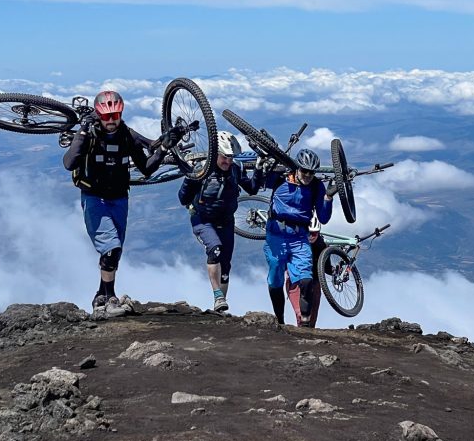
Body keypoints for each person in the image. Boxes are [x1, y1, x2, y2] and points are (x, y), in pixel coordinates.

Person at [62, 90, 177, 318]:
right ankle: (111, 299)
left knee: (114, 253)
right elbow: (69, 162)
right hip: (94, 198)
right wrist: (83, 130)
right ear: (98, 115)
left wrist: (163, 149)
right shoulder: (90, 133)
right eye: (106, 116)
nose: (111, 121)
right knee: (111, 248)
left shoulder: (126, 135)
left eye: (115, 115)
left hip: (120, 198)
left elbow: (146, 167)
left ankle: (100, 297)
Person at [178, 131, 261, 313]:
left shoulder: (235, 169)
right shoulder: (201, 170)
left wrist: (260, 169)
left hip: (226, 222)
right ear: (215, 153)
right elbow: (183, 199)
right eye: (224, 157)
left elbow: (252, 188)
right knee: (215, 250)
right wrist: (190, 176)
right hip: (203, 220)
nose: (228, 162)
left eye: (231, 157)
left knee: (225, 266)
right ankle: (218, 296)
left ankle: (219, 309)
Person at [258, 148, 337, 325]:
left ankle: (306, 323)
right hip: (276, 236)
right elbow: (257, 183)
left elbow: (323, 217)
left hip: (299, 237)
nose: (308, 175)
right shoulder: (280, 179)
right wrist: (264, 167)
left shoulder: (316, 186)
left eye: (312, 172)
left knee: (306, 279)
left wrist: (328, 198)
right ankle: (279, 320)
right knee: (275, 279)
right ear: (297, 168)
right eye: (304, 171)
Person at [285, 216, 328, 328]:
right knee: (300, 315)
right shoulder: (295, 243)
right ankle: (300, 334)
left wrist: (336, 271)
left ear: (318, 233)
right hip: (296, 282)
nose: (311, 236)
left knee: (312, 319)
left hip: (315, 284)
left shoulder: (322, 246)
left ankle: (306, 335)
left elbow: (327, 268)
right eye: (309, 233)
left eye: (314, 233)